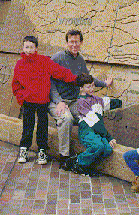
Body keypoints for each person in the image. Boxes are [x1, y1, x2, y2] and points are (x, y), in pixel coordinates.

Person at [49, 29, 114, 169]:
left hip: (74, 101)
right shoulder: (58, 57)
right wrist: (58, 100)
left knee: (89, 116)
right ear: (66, 42)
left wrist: (105, 84)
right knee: (66, 119)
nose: (74, 45)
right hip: (57, 101)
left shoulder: (80, 59)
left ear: (81, 42)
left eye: (76, 42)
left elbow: (87, 79)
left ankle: (94, 148)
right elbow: (48, 80)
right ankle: (64, 157)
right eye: (71, 42)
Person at [12, 36, 78, 165]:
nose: (29, 50)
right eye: (26, 47)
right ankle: (24, 148)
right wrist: (22, 97)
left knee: (42, 127)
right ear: (23, 48)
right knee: (27, 126)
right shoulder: (20, 64)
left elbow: (61, 72)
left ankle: (42, 150)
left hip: (42, 102)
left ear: (36, 48)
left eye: (31, 47)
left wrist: (76, 79)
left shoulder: (44, 61)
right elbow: (16, 85)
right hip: (28, 102)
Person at [65, 73, 119, 176]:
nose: (92, 88)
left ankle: (85, 162)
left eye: (93, 85)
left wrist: (120, 102)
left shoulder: (96, 99)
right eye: (88, 86)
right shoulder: (81, 102)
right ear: (81, 88)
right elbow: (94, 122)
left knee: (107, 149)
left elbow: (108, 103)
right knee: (98, 146)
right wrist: (108, 137)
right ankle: (77, 162)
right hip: (87, 130)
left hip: (97, 131)